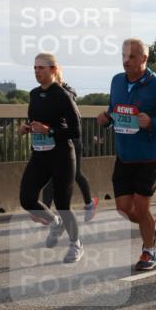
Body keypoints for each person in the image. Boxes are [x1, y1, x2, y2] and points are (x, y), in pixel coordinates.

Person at [96, 38, 156, 271]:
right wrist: (106, 119)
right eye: (124, 56)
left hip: (149, 155)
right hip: (125, 154)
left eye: (132, 56)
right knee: (124, 208)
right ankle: (152, 226)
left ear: (144, 59)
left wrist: (152, 123)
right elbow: (115, 110)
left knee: (141, 207)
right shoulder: (116, 81)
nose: (126, 61)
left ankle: (149, 251)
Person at [18, 52, 84, 262]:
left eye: (41, 68)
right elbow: (36, 121)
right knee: (27, 198)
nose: (37, 72)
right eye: (35, 68)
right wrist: (27, 128)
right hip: (40, 155)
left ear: (53, 70)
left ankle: (76, 244)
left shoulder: (62, 95)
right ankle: (55, 223)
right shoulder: (34, 94)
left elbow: (76, 130)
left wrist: (50, 130)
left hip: (62, 156)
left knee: (63, 203)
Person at [41, 76, 99, 221]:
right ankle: (46, 214)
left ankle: (89, 204)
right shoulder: (46, 95)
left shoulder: (66, 96)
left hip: (72, 140)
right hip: (55, 140)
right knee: (50, 177)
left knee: (76, 173)